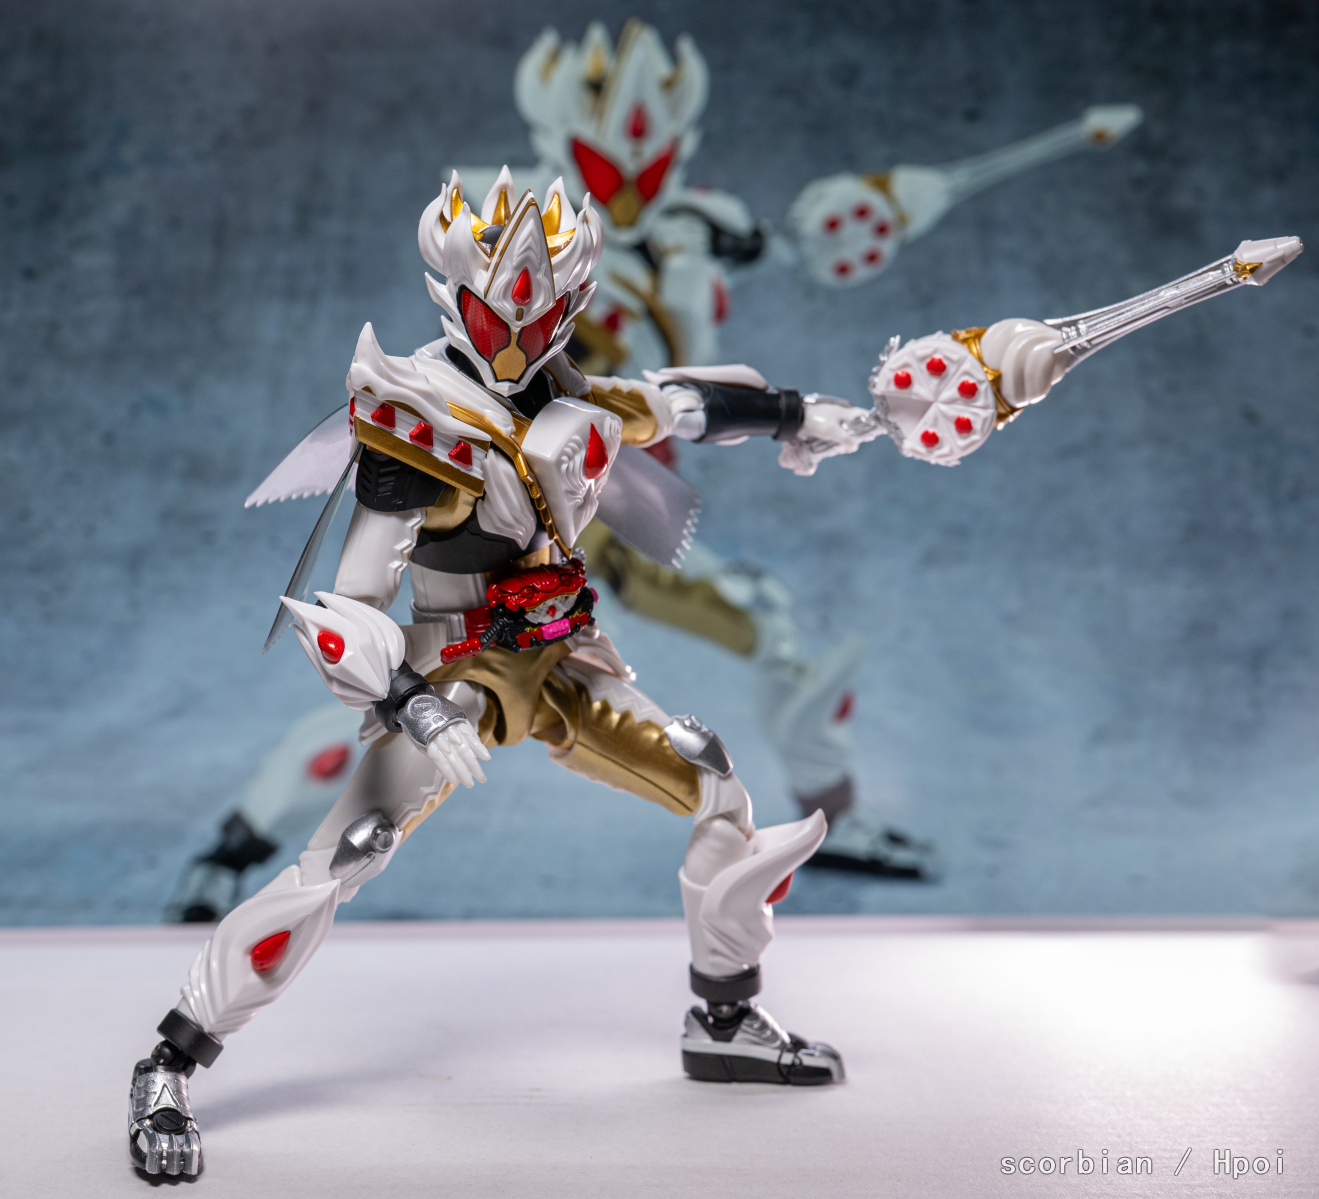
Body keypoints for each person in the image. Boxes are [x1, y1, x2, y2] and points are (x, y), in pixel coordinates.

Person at [166, 22, 1146, 920]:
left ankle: (829, 822)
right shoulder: (513, 241)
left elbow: (663, 393)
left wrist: (790, 406)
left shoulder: (688, 231)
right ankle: (238, 843)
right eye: (606, 158)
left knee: (769, 632)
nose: (631, 173)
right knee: (415, 691)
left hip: (598, 506)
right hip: (503, 521)